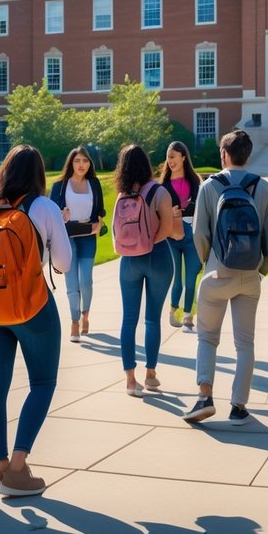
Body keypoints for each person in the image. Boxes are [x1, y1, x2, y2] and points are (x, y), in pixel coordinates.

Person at [0, 144, 72, 495]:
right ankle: (18, 466)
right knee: (42, 383)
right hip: (30, 304)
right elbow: (63, 263)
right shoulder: (42, 206)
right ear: (38, 174)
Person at [183, 129, 268, 425]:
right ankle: (239, 406)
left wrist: (208, 262)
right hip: (250, 275)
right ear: (248, 155)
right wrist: (261, 270)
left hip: (217, 271)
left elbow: (199, 233)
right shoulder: (262, 186)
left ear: (223, 154)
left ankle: (205, 396)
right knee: (245, 343)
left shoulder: (210, 186)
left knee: (207, 337)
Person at [114, 144, 176, 397]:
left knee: (128, 319)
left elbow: (117, 231)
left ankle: (130, 379)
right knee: (152, 318)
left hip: (128, 260)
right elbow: (168, 229)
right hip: (156, 256)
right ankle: (150, 374)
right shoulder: (160, 192)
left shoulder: (121, 196)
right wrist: (148, 244)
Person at [49, 146, 106, 342]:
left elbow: (100, 210)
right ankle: (74, 321)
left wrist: (100, 222)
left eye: (85, 161)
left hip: (88, 236)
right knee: (72, 283)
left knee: (86, 281)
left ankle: (85, 316)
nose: (81, 165)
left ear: (89, 163)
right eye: (77, 161)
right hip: (67, 238)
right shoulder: (60, 186)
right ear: (71, 163)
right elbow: (51, 214)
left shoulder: (94, 183)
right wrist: (61, 215)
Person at [159, 141, 202, 331]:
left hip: (192, 236)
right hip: (171, 237)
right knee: (177, 276)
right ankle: (172, 312)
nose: (170, 161)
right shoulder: (163, 186)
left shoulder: (196, 182)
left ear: (183, 157)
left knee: (191, 276)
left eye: (173, 156)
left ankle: (187, 316)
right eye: (168, 157)